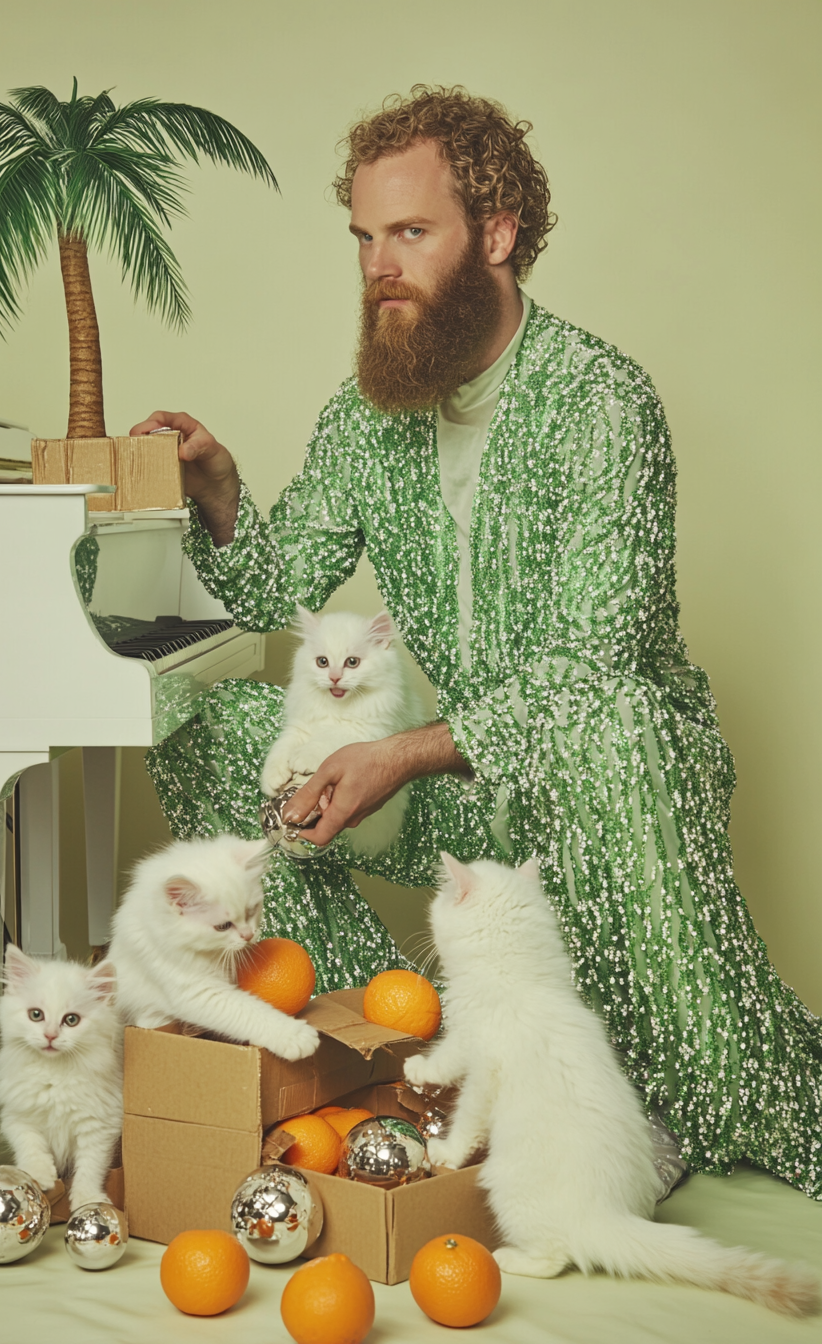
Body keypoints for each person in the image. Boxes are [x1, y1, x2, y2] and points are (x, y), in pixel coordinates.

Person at [132, 87, 822, 1198]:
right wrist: (217, 487)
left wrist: (394, 753)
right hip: (457, 799)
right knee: (221, 726)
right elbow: (272, 588)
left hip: (607, 781)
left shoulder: (600, 401)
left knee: (607, 718)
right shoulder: (363, 418)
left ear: (495, 234)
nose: (378, 267)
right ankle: (398, 1054)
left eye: (409, 233)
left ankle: (673, 1097)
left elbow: (591, 668)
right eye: (363, 238)